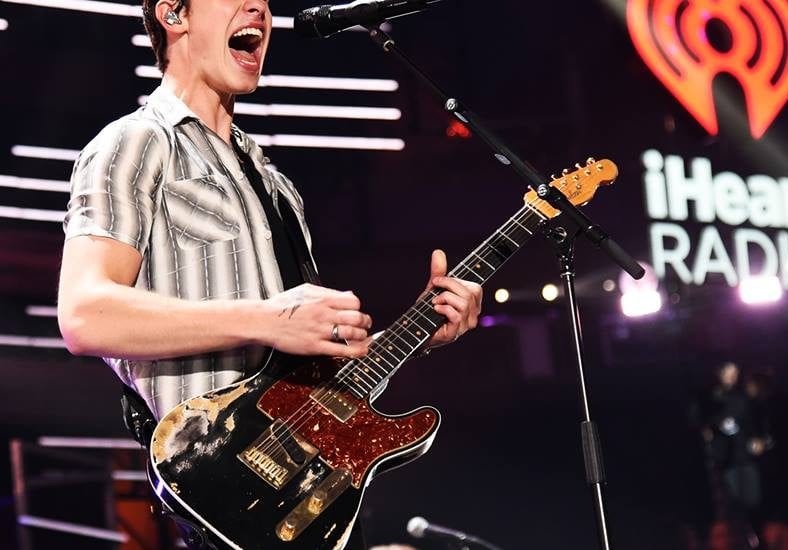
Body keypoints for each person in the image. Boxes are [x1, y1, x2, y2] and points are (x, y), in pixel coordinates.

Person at [55, 0, 483, 547]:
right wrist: (269, 319)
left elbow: (304, 376)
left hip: (307, 500)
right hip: (217, 488)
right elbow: (85, 315)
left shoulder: (276, 187)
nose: (259, 7)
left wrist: (418, 332)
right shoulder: (136, 143)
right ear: (174, 14)